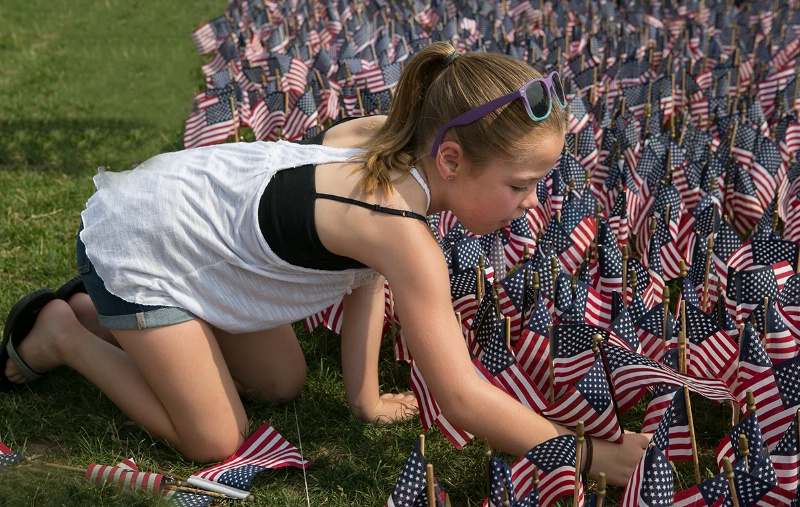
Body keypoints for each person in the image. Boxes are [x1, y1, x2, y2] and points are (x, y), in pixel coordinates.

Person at [1, 41, 649, 486]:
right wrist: (590, 454)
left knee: (281, 382)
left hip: (200, 240)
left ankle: (109, 314)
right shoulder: (402, 232)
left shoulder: (394, 139)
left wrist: (363, 399)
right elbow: (461, 395)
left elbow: (364, 277)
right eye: (520, 183)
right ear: (451, 159)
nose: (531, 201)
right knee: (216, 437)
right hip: (140, 239)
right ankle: (64, 331)